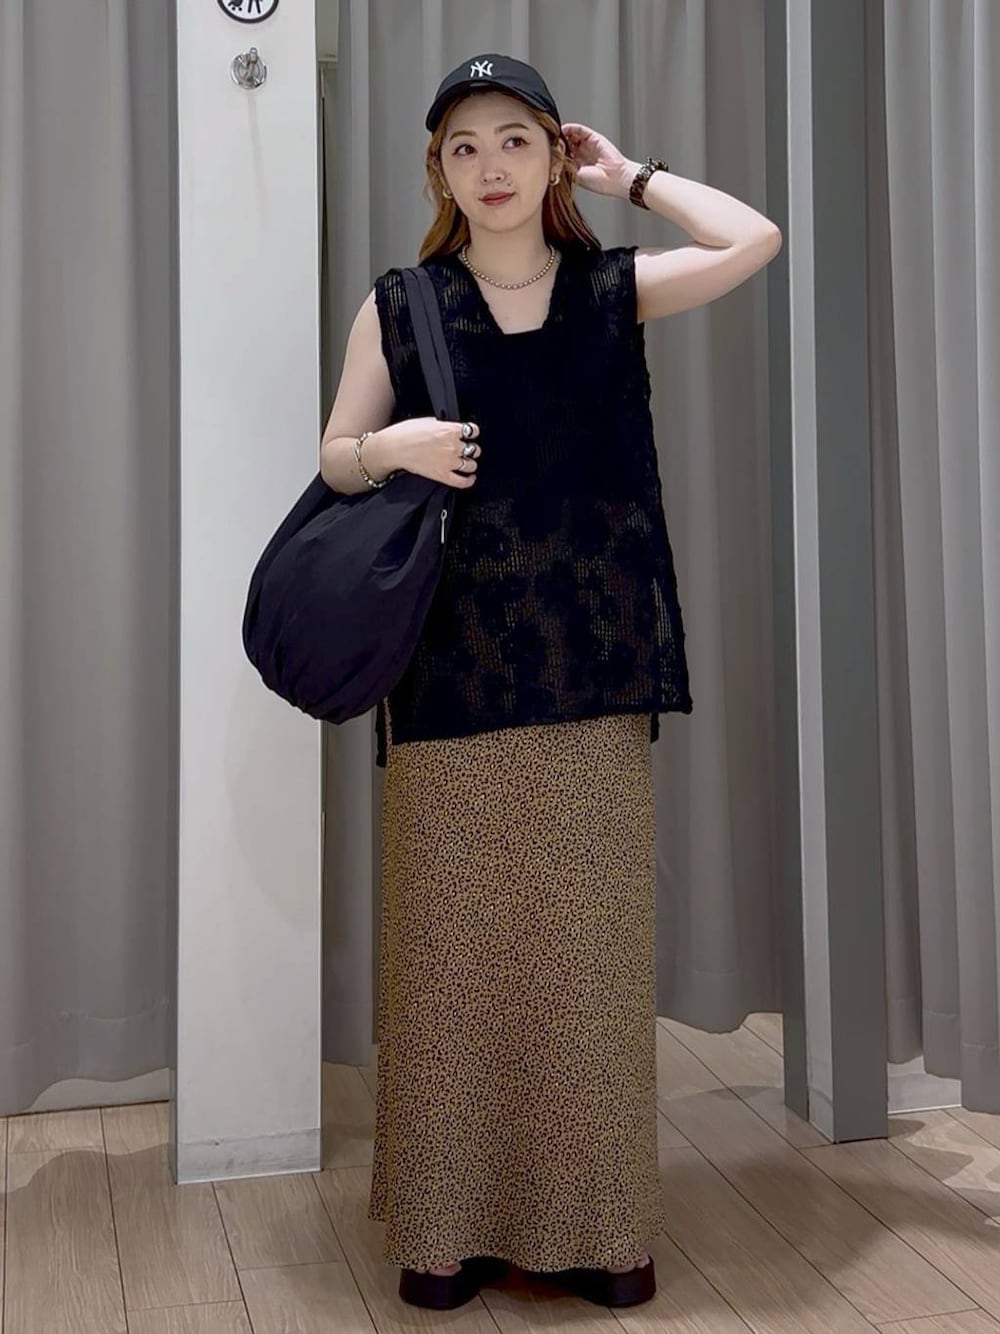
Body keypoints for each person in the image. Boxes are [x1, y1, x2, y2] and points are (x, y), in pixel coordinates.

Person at [319, 54, 781, 1312]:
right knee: (452, 968)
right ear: (438, 171)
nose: (490, 167)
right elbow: (335, 456)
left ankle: (595, 1227)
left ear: (551, 155)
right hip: (449, 679)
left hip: (592, 674)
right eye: (462, 147)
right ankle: (445, 1230)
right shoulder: (403, 306)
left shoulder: (609, 291)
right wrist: (389, 445)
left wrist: (630, 176)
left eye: (514, 140)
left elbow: (753, 238)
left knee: (584, 969)